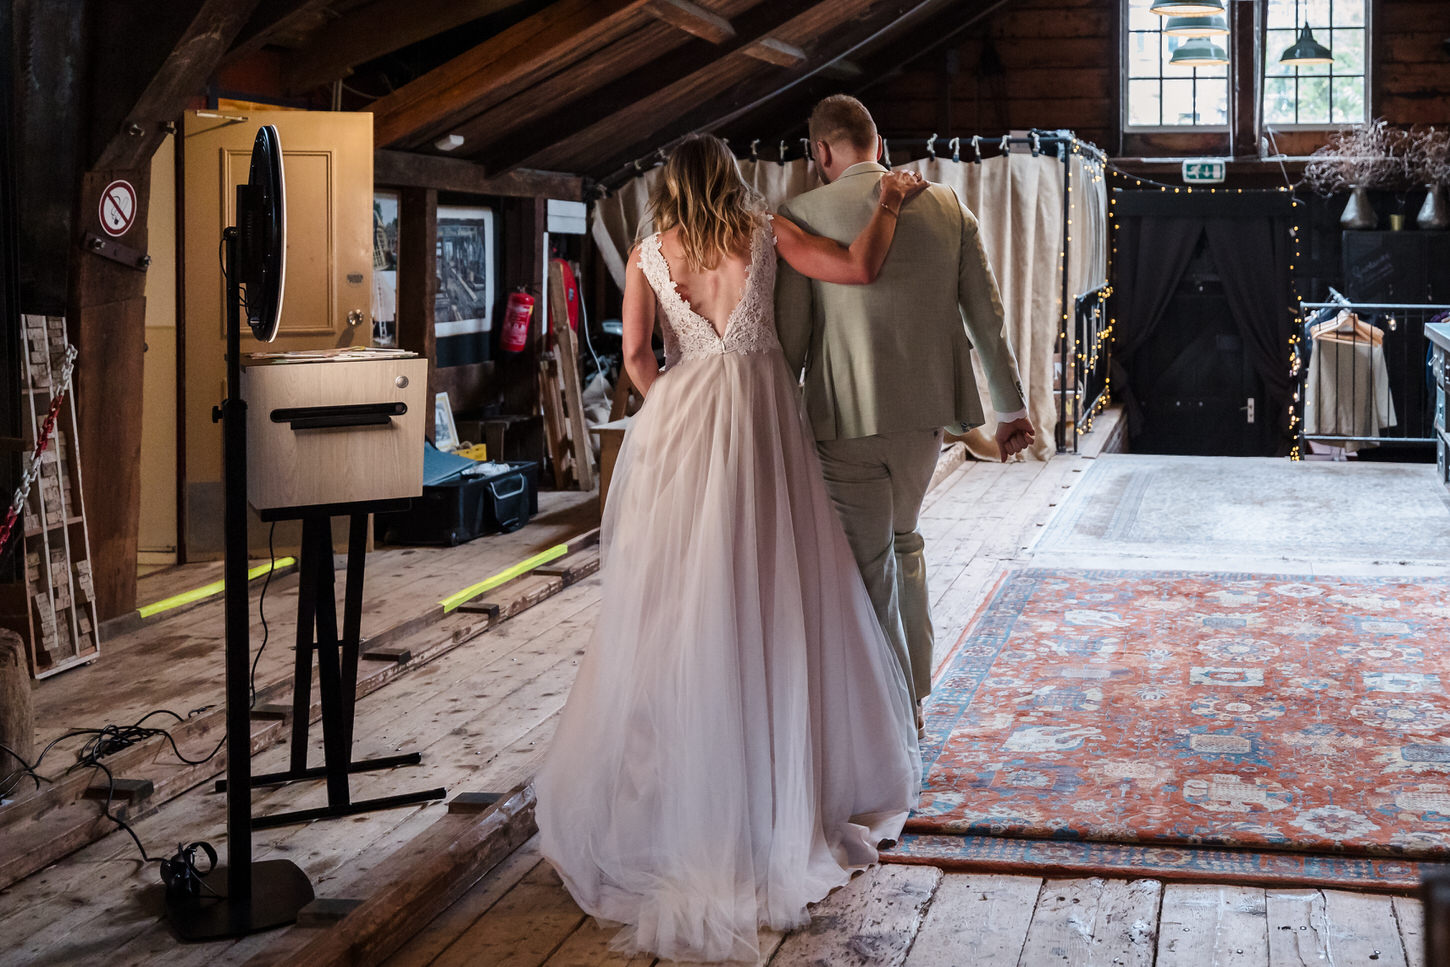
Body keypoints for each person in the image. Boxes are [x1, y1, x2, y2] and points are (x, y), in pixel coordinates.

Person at [534, 134, 926, 964]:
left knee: (682, 603)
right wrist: (889, 201)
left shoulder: (647, 254)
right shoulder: (766, 231)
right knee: (778, 588)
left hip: (684, 430)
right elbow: (858, 268)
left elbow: (635, 356)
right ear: (731, 178)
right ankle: (780, 783)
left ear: (670, 187)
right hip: (761, 426)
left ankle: (684, 793)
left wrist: (676, 407)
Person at [775, 95, 1033, 736]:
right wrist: (1010, 411)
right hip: (926, 417)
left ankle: (894, 713)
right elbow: (987, 320)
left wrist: (772, 421)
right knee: (905, 541)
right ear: (879, 143)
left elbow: (792, 340)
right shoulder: (947, 207)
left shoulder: (802, 214)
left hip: (843, 417)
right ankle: (915, 693)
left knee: (869, 565)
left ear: (821, 150)